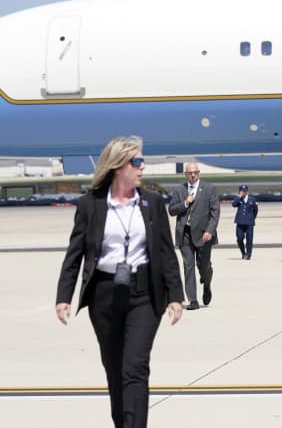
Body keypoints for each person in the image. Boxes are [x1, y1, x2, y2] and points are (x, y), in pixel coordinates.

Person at [55, 136, 184, 428]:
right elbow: (75, 253)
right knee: (114, 370)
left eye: (142, 161)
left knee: (135, 368)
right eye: (137, 162)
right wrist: (64, 295)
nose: (143, 167)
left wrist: (175, 295)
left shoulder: (152, 203)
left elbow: (165, 251)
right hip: (104, 295)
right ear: (118, 166)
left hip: (145, 295)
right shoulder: (91, 205)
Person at [168, 162, 220, 310]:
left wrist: (210, 230)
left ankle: (207, 283)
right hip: (184, 235)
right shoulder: (179, 190)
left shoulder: (209, 189)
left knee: (204, 266)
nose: (193, 175)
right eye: (190, 173)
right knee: (188, 266)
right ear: (185, 174)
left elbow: (215, 213)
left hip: (204, 234)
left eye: (195, 172)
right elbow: (171, 210)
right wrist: (185, 203)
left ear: (199, 173)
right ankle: (192, 300)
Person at [232, 184, 258, 260]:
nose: (243, 192)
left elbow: (255, 210)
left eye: (244, 191)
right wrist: (239, 197)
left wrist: (252, 218)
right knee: (239, 238)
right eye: (241, 191)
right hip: (240, 222)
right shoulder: (238, 199)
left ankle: (248, 254)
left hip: (249, 222)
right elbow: (234, 204)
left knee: (249, 239)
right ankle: (243, 252)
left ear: (247, 191)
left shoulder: (252, 199)